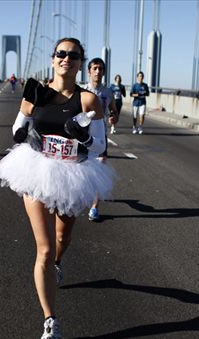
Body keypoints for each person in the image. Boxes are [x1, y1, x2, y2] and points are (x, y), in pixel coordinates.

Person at [0, 37, 115, 339]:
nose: (66, 58)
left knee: (63, 238)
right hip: (37, 170)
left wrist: (83, 139)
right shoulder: (36, 92)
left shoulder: (89, 101)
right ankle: (50, 319)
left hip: (73, 173)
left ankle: (58, 264)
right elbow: (17, 129)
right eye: (61, 53)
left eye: (73, 55)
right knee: (45, 248)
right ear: (53, 60)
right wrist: (26, 134)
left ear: (79, 63)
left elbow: (100, 145)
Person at [83, 57, 118, 221]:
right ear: (89, 71)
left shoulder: (108, 92)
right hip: (82, 135)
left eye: (101, 69)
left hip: (100, 135)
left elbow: (114, 111)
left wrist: (113, 118)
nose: (98, 71)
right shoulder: (81, 90)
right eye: (95, 68)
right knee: (80, 169)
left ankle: (94, 208)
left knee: (99, 168)